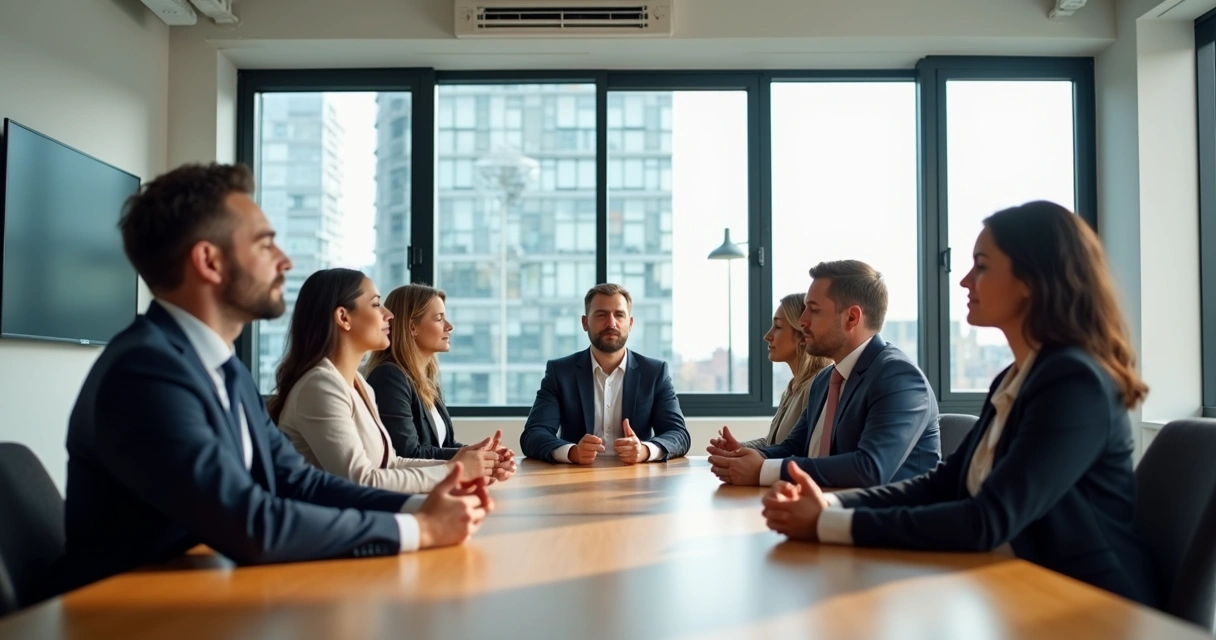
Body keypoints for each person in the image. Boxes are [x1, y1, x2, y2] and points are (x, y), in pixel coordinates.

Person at [51, 163, 491, 596]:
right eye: (265, 245)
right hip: (128, 613)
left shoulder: (224, 370)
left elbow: (298, 482)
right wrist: (417, 529)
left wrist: (420, 506)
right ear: (209, 261)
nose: (285, 261)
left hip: (205, 592)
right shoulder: (146, 372)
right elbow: (251, 522)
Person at [761, 202, 1159, 607]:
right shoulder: (1013, 378)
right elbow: (944, 483)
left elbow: (986, 518)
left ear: (1031, 281)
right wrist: (831, 502)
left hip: (1088, 604)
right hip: (1011, 587)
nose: (965, 280)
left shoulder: (1074, 383)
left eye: (982, 266)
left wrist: (831, 523)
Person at [707, 260, 940, 489]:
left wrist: (763, 470)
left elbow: (870, 469)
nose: (802, 320)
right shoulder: (825, 380)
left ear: (852, 318)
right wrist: (745, 456)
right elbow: (794, 447)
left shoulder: (899, 378)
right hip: (825, 512)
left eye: (814, 310)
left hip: (885, 522)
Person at [270, 269, 507, 492]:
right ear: (343, 317)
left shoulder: (359, 385)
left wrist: (467, 464)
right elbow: (360, 480)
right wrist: (456, 470)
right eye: (375, 304)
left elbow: (391, 463)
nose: (389, 315)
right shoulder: (320, 386)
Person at [520, 283, 690, 464]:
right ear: (585, 323)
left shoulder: (655, 373)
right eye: (601, 315)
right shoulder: (560, 373)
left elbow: (679, 434)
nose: (611, 323)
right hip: (576, 478)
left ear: (630, 323)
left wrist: (645, 450)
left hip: (637, 480)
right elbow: (533, 434)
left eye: (619, 315)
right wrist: (572, 452)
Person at [364, 283, 516, 481]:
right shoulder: (389, 377)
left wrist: (487, 456)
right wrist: (472, 457)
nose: (449, 326)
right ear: (412, 327)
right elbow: (407, 453)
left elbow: (444, 445)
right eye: (439, 318)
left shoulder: (426, 379)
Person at [733, 293, 832, 449]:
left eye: (778, 327)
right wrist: (737, 447)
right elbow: (773, 443)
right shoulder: (794, 386)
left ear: (802, 335)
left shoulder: (816, 387)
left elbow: (794, 450)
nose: (767, 336)